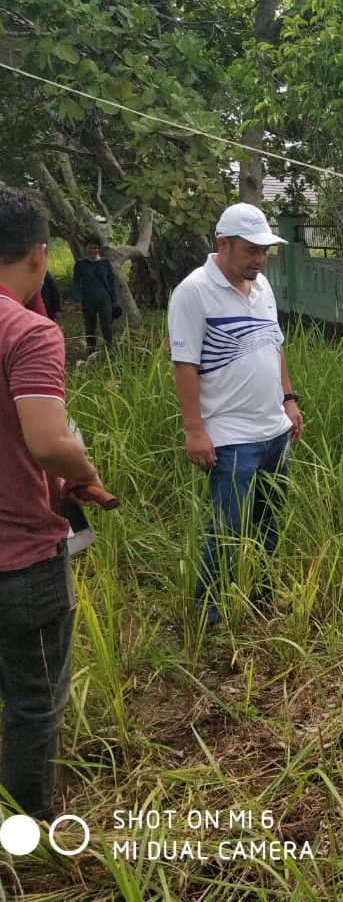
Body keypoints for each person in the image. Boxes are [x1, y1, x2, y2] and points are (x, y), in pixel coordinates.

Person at [0, 187, 108, 820]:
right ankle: (25, 833)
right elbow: (47, 441)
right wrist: (83, 472)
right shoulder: (30, 332)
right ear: (41, 255)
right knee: (34, 703)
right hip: (21, 559)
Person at [167, 203, 303, 629]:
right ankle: (208, 612)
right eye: (251, 250)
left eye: (265, 250)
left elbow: (273, 345)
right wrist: (195, 430)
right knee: (228, 526)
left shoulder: (261, 288)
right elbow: (185, 365)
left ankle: (261, 592)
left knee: (268, 519)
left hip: (273, 430)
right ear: (222, 244)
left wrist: (289, 400)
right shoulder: (193, 292)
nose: (259, 259)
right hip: (229, 435)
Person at [72, 235, 119, 354]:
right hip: (87, 300)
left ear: (98, 249)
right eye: (89, 248)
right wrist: (77, 300)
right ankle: (91, 351)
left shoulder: (105, 263)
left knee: (107, 326)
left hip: (104, 299)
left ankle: (109, 351)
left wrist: (114, 299)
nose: (92, 251)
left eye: (95, 248)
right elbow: (76, 282)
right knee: (90, 327)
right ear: (85, 248)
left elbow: (111, 281)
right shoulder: (80, 264)